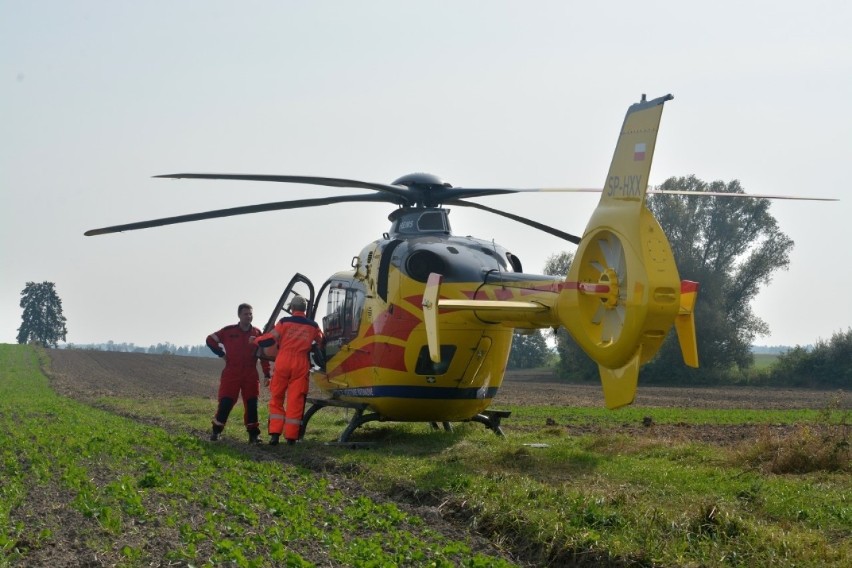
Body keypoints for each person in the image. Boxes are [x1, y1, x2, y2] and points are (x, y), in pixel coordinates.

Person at [254, 295, 324, 446]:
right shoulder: (313, 325)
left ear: (292, 308)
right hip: (301, 364)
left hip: (283, 361)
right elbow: (321, 341)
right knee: (295, 400)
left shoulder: (284, 322)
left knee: (277, 398)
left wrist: (256, 340)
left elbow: (270, 339)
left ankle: (274, 435)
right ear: (305, 309)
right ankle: (291, 437)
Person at [206, 303, 271, 443]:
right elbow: (210, 340)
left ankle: (254, 435)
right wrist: (221, 354)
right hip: (232, 372)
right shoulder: (228, 331)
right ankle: (216, 432)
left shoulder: (257, 333)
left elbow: (263, 355)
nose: (249, 316)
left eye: (250, 314)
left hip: (250, 373)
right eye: (246, 314)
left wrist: (267, 373)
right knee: (226, 402)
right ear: (239, 315)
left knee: (252, 403)